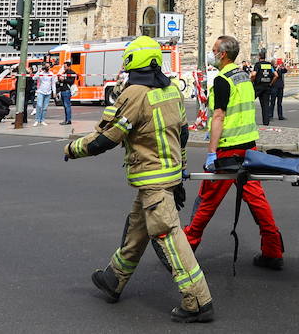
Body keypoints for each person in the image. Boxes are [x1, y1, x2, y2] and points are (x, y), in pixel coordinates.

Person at [64, 37, 213, 322]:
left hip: (151, 177)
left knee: (168, 236)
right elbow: (182, 134)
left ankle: (197, 300)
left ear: (132, 61)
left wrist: (72, 149)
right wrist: (180, 173)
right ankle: (115, 278)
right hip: (167, 173)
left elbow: (106, 137)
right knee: (137, 228)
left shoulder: (133, 93)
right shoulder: (171, 90)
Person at [184, 35, 284, 270]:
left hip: (227, 150)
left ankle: (186, 248)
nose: (211, 54)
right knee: (257, 200)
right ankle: (273, 250)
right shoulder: (244, 77)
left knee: (207, 200)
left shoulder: (222, 80)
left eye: (213, 50)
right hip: (249, 147)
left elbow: (219, 116)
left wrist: (211, 151)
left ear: (223, 54)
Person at [252, 50, 277, 126]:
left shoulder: (257, 65)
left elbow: (253, 74)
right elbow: (276, 75)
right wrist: (271, 83)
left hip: (258, 86)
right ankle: (266, 123)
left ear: (259, 57)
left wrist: (252, 81)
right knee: (265, 105)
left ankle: (248, 120)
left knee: (249, 101)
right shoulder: (269, 65)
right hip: (267, 87)